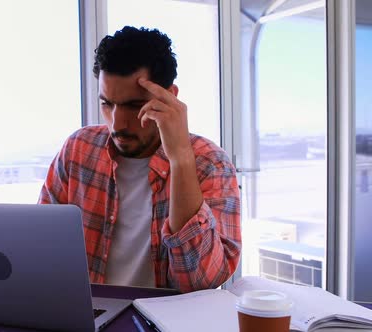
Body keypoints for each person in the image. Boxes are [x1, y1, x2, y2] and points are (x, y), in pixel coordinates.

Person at [39, 26, 241, 293]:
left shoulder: (209, 163)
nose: (117, 124)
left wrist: (180, 159)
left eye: (134, 106)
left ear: (170, 97)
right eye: (107, 104)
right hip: (85, 314)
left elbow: (200, 283)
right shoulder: (79, 149)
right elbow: (41, 247)